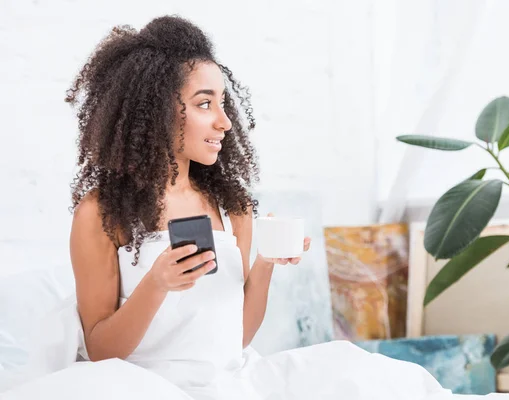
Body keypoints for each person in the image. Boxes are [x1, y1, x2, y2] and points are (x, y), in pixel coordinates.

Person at [65, 15, 450, 400]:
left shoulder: (232, 205)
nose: (225, 122)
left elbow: (236, 339)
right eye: (204, 104)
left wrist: (265, 263)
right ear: (155, 110)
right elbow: (101, 353)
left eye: (223, 103)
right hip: (143, 388)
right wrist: (156, 284)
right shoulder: (101, 214)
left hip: (231, 382)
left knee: (371, 377)